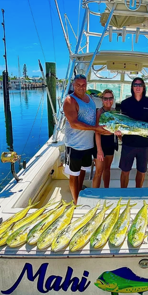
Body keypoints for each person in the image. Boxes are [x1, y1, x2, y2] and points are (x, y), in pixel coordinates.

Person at [63, 74, 110, 204]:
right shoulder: (69, 100)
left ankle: (79, 191)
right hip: (75, 145)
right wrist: (96, 128)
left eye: (83, 85)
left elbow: (94, 116)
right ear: (73, 85)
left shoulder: (89, 98)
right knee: (74, 174)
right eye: (78, 85)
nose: (81, 87)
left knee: (83, 170)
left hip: (88, 145)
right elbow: (74, 123)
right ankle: (76, 202)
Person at [119, 77, 148, 188]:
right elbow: (122, 122)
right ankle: (123, 193)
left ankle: (138, 192)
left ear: (144, 87)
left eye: (140, 85)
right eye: (135, 85)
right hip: (128, 144)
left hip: (144, 145)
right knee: (125, 171)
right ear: (132, 87)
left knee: (142, 171)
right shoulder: (125, 103)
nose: (138, 87)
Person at [92, 89, 117, 188]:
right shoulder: (99, 112)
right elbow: (97, 132)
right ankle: (95, 194)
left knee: (107, 169)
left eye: (110, 98)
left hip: (110, 142)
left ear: (113, 99)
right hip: (100, 143)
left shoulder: (114, 111)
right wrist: (99, 150)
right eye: (105, 98)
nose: (108, 101)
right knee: (99, 171)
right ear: (102, 100)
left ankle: (106, 191)